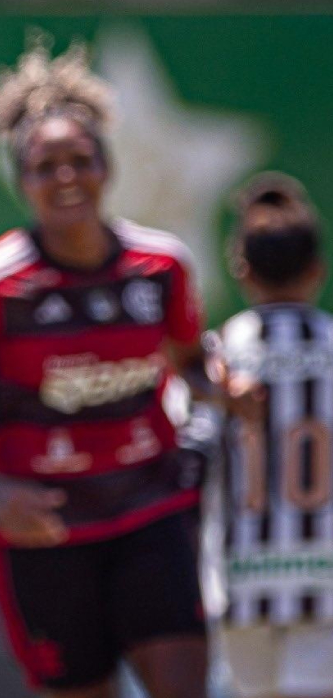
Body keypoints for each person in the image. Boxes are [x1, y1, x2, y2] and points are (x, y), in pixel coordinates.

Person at [0, 41, 209, 698]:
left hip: (149, 513)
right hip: (41, 530)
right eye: (46, 166)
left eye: (80, 160)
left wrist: (224, 392)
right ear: (23, 180)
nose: (65, 177)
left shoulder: (163, 266)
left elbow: (192, 363)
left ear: (107, 167)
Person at [204, 172, 333, 698]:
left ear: (241, 271)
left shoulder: (217, 358)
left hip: (241, 583)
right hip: (325, 584)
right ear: (318, 271)